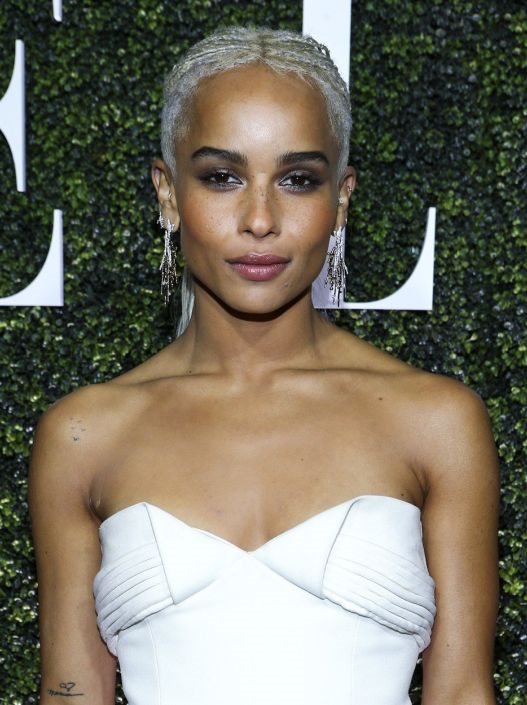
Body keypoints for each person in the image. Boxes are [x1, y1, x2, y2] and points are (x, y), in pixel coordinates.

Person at [30, 26, 499, 705]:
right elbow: (69, 693)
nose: (259, 219)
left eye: (297, 180)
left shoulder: (435, 421)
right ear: (168, 193)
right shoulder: (84, 435)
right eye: (222, 177)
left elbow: (461, 692)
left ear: (341, 199)